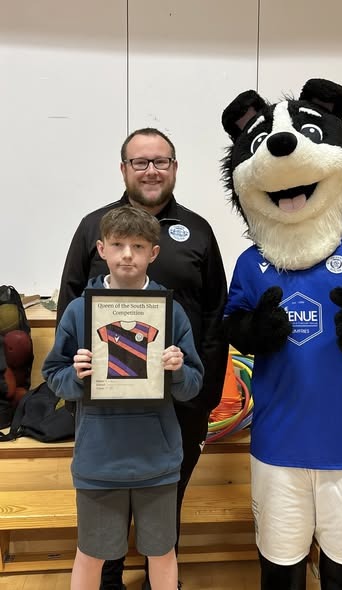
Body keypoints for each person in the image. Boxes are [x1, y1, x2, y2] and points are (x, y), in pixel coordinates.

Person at [56, 127, 229, 590]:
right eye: (140, 162)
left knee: (164, 509)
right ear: (124, 169)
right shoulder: (94, 226)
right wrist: (77, 387)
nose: (151, 170)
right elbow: (70, 304)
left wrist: (204, 395)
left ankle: (159, 582)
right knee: (102, 529)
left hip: (179, 402)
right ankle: (109, 581)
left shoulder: (198, 230)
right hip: (104, 408)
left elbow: (216, 314)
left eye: (160, 161)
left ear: (174, 168)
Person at [42, 206, 204, 590]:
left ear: (154, 253)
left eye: (138, 246)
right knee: (91, 554)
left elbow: (192, 385)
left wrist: (177, 370)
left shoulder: (172, 313)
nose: (127, 254)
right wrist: (76, 376)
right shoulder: (80, 311)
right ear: (102, 249)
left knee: (162, 553)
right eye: (117, 245)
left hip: (157, 461)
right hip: (99, 461)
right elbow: (54, 375)